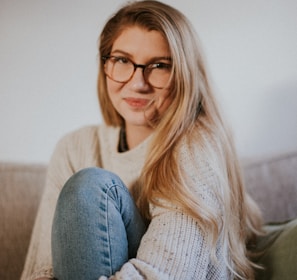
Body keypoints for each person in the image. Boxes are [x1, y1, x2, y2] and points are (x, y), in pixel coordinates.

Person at [21, 1, 263, 279]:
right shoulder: (75, 148)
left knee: (90, 188)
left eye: (159, 65)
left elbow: (161, 275)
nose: (138, 83)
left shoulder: (196, 147)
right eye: (122, 60)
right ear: (105, 65)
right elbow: (41, 271)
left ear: (183, 76)